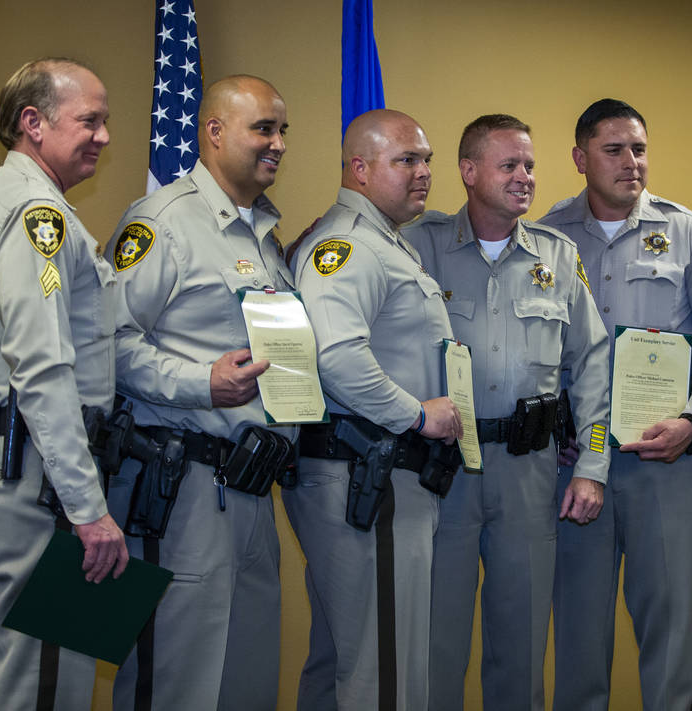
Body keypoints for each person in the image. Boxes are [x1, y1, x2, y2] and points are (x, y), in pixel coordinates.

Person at [540, 98, 692, 711]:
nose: (632, 163)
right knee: (578, 630)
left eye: (640, 149)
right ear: (581, 158)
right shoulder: (549, 236)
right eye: (615, 150)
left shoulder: (686, 231)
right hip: (577, 465)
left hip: (663, 462)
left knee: (671, 630)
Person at [402, 114, 611, 711]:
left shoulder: (558, 256)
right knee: (435, 645)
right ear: (468, 172)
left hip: (530, 472)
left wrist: (593, 466)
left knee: (520, 649)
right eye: (509, 165)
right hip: (441, 472)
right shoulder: (418, 248)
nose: (524, 177)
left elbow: (594, 366)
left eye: (529, 166)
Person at [105, 75, 295, 711]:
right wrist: (201, 383)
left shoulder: (264, 234)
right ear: (213, 132)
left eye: (282, 131)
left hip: (249, 485)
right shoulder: (162, 222)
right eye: (262, 128)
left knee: (246, 675)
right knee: (176, 676)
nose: (278, 144)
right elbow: (110, 344)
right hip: (180, 486)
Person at [0, 57, 127, 711]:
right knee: (47, 686)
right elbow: (44, 369)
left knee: (17, 679)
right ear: (33, 122)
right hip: (39, 486)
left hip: (8, 468)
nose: (105, 136)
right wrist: (87, 507)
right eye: (90, 120)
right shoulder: (35, 215)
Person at [284, 108, 463, 711]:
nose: (423, 173)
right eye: (406, 160)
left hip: (380, 476)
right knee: (385, 672)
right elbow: (336, 357)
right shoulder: (348, 246)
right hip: (371, 477)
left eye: (427, 159)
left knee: (347, 658)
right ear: (360, 169)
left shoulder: (387, 244)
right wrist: (418, 415)